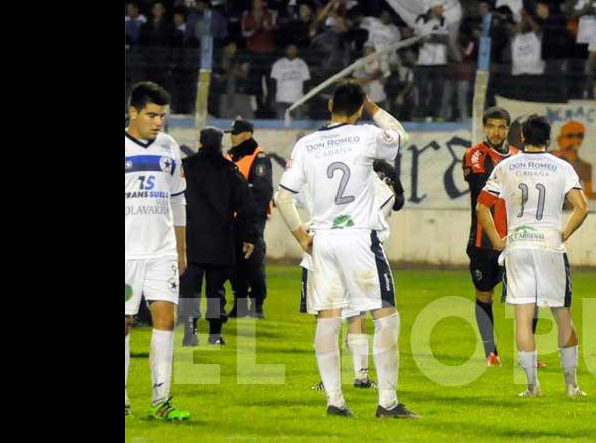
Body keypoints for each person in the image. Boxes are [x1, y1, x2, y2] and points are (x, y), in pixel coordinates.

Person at [275, 82, 418, 418]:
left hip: (322, 240)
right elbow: (400, 135)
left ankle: (335, 402)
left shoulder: (306, 144)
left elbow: (283, 197)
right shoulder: (366, 135)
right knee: (386, 317)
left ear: (329, 105)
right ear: (358, 110)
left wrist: (302, 238)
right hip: (358, 238)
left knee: (328, 320)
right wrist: (374, 109)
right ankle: (387, 402)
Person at [475, 115, 590, 398]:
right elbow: (581, 208)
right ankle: (572, 386)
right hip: (550, 246)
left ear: (522, 137)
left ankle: (532, 386)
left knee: (523, 319)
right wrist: (563, 233)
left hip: (518, 246)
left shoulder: (506, 165)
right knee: (563, 317)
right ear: (548, 139)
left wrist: (498, 240)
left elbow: (482, 207)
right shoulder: (562, 166)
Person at [304, 159, 407, 391]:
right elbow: (395, 199)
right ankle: (364, 379)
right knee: (361, 314)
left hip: (325, 249)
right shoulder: (379, 184)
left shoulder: (331, 172)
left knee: (328, 317)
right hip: (360, 252)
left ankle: (332, 383)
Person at [124, 81, 190, 421]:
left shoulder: (168, 146)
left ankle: (161, 400)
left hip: (161, 251)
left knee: (166, 318)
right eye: (151, 115)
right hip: (126, 254)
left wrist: (181, 249)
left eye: (162, 116)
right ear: (132, 112)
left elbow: (178, 200)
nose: (157, 122)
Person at [178, 127, 262, 347]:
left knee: (190, 290)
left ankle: (190, 332)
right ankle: (215, 333)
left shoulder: (185, 168)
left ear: (200, 143)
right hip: (220, 241)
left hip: (191, 241)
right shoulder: (229, 170)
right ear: (220, 144)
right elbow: (246, 207)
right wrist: (249, 237)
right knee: (216, 291)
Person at [462, 108, 533, 367]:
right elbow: (484, 189)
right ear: (484, 128)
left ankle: (528, 354)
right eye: (491, 126)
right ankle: (491, 353)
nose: (496, 132)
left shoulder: (518, 156)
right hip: (483, 241)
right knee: (485, 294)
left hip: (514, 239)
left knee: (527, 296)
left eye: (501, 127)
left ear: (508, 129)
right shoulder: (474, 156)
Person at [225, 119, 274, 318]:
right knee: (233, 263)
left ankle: (257, 304)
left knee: (252, 260)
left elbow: (262, 193)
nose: (231, 136)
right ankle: (239, 303)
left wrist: (249, 217)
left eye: (235, 133)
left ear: (247, 134)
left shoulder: (259, 157)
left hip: (252, 218)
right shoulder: (229, 156)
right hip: (231, 218)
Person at [270, 44, 312, 120]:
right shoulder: (278, 63)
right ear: (286, 50)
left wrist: (307, 101)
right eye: (290, 49)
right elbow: (273, 83)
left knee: (298, 124)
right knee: (280, 123)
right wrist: (272, 99)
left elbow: (307, 83)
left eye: (294, 49)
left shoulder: (302, 64)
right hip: (281, 100)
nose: (292, 51)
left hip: (298, 100)